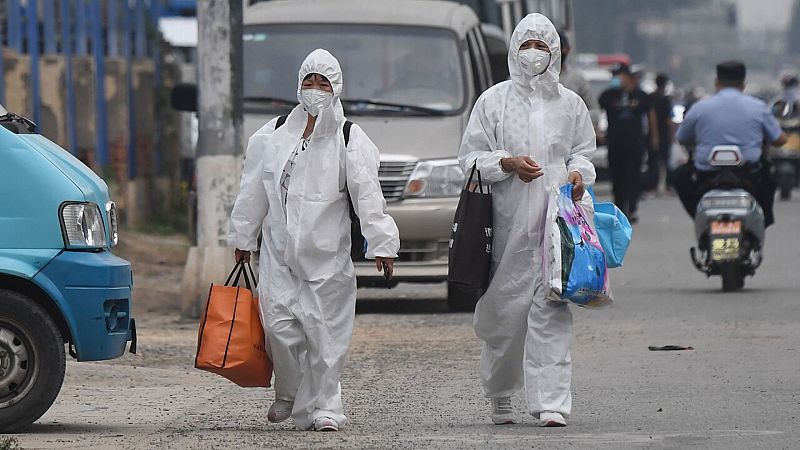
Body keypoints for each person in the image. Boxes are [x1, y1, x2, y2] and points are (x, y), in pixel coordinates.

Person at [228, 49, 400, 432]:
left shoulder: (349, 138)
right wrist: (244, 235)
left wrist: (382, 242)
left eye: (323, 83)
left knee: (325, 334)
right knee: (280, 329)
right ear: (299, 85)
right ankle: (288, 394)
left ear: (336, 88)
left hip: (326, 256)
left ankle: (327, 407)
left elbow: (368, 195)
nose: (316, 90)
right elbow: (253, 190)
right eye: (310, 82)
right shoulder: (271, 136)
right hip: (278, 253)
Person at [458, 14, 596, 428]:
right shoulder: (493, 101)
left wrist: (577, 175)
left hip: (558, 226)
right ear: (515, 49)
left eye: (542, 45)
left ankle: (552, 402)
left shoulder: (571, 104)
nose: (534, 53)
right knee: (505, 317)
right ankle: (500, 392)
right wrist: (507, 163)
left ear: (554, 52)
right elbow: (469, 159)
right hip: (508, 226)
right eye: (527, 44)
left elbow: (583, 153)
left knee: (553, 310)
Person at [673, 61, 787, 227]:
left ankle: (700, 216)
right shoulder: (758, 107)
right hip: (749, 176)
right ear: (743, 84)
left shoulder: (700, 108)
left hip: (707, 176)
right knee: (770, 179)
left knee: (677, 177)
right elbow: (780, 139)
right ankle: (762, 221)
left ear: (717, 83)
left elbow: (682, 137)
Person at [599, 63, 658, 222]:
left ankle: (632, 208)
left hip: (635, 144)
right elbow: (598, 112)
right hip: (615, 144)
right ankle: (619, 209)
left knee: (633, 176)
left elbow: (650, 115)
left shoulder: (640, 96)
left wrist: (654, 137)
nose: (616, 79)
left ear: (628, 77)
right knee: (617, 177)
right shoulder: (609, 95)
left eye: (619, 76)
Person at [558, 31, 600, 126]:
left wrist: (576, 123)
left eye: (561, 48)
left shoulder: (577, 78)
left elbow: (594, 110)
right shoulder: (537, 79)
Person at [644, 73, 674, 193]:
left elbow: (649, 118)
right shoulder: (665, 99)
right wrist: (672, 134)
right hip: (662, 134)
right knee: (665, 161)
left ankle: (653, 186)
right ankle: (667, 185)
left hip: (651, 133)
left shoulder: (650, 97)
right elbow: (667, 119)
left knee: (652, 161)